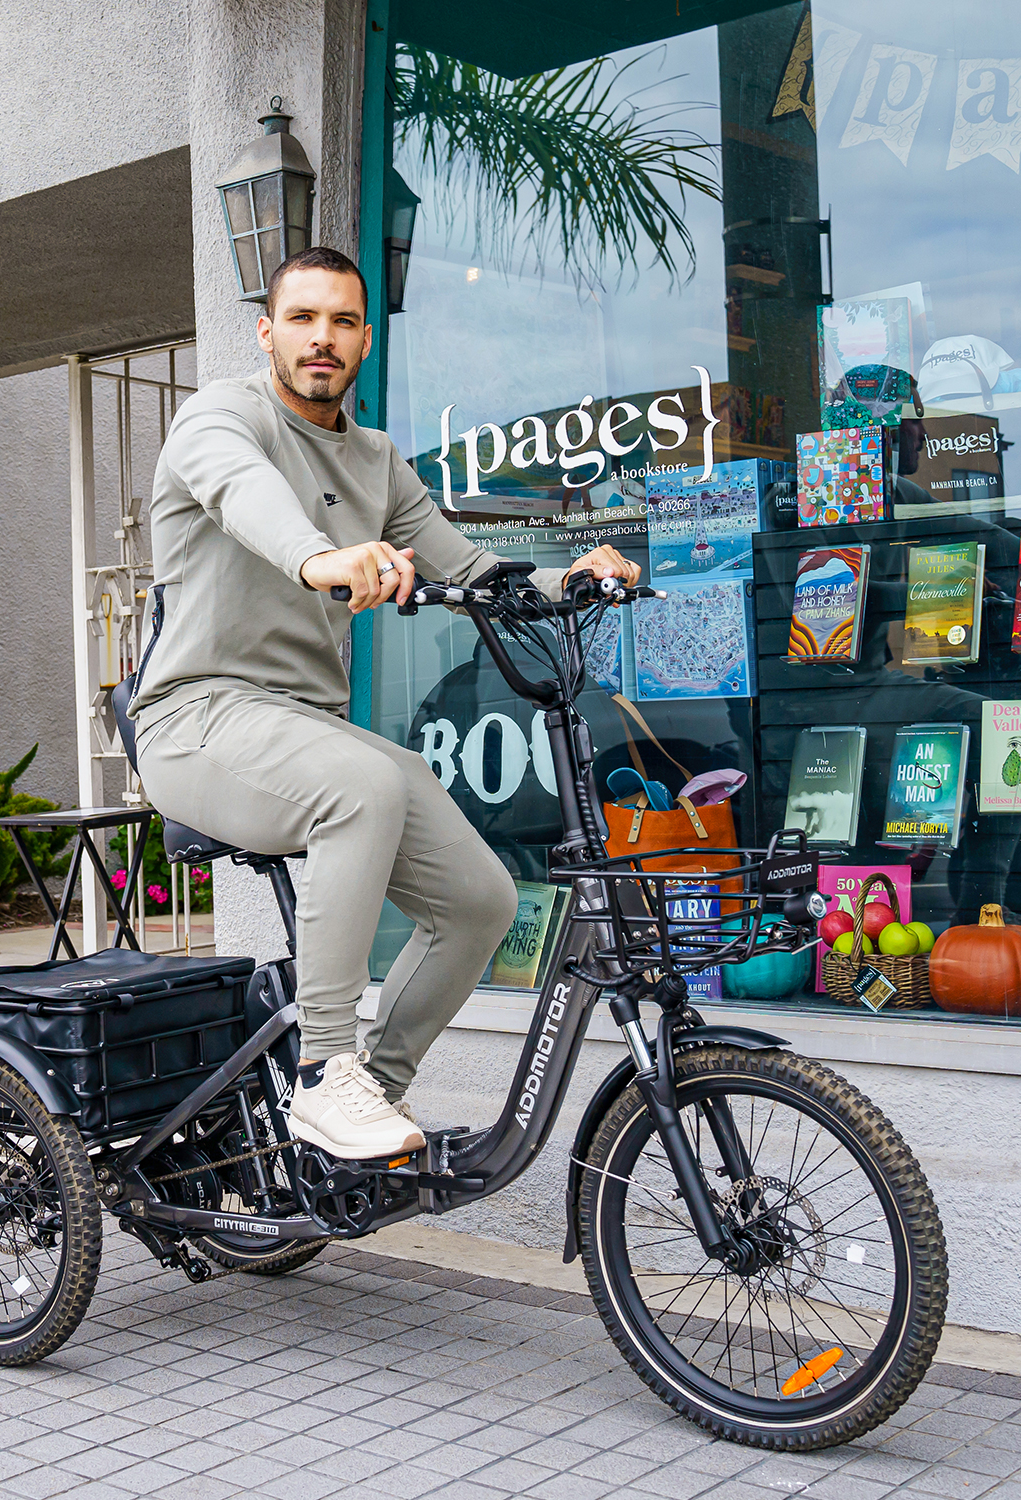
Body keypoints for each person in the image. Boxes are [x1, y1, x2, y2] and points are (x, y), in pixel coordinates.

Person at [130, 246, 639, 1160]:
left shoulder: (375, 460)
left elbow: (475, 570)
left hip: (303, 730)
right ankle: (324, 1072)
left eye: (342, 321)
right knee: (360, 785)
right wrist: (319, 557)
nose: (321, 338)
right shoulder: (218, 418)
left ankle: (367, 1095)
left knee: (483, 900)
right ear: (267, 333)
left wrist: (575, 575)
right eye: (302, 318)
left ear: (366, 339)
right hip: (195, 717)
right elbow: (245, 497)